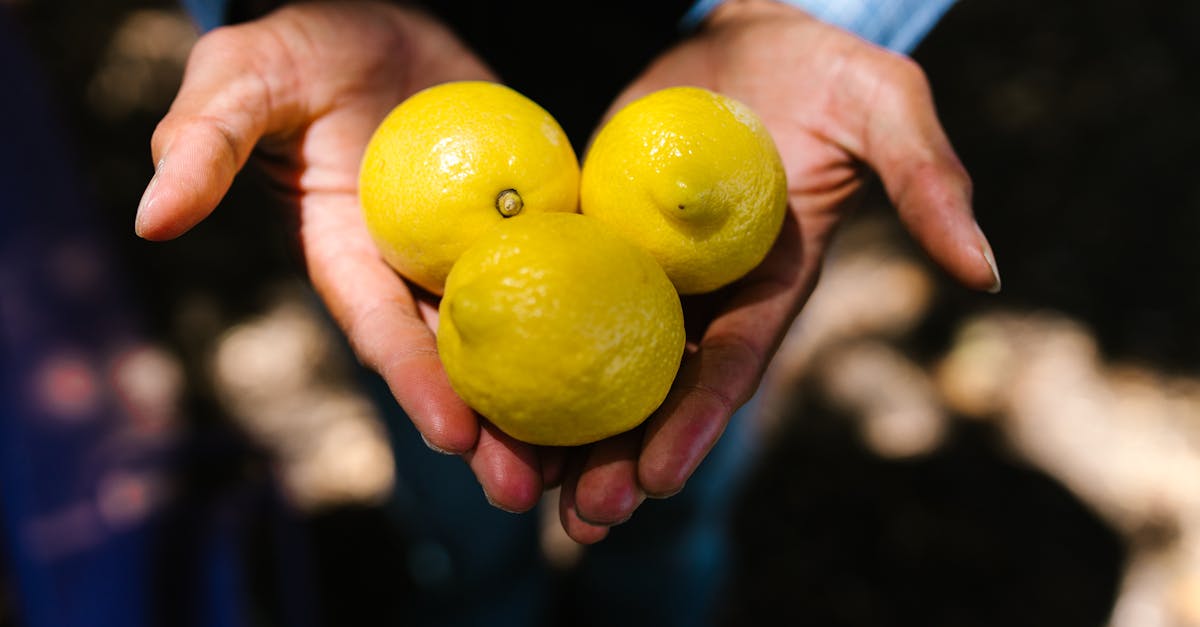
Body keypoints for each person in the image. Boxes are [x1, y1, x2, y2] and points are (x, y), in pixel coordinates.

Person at [135, 0, 1002, 624]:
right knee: (450, 466)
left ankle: (651, 600)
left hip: (693, 90)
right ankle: (478, 598)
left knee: (680, 466)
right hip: (414, 133)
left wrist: (811, 13)